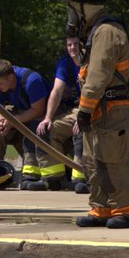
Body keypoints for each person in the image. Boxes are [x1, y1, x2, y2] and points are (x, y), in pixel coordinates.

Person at [64, 0, 129, 229]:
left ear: (85, 7)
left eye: (73, 7)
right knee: (93, 161)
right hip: (98, 107)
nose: (71, 15)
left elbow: (98, 75)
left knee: (113, 160)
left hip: (110, 108)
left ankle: (126, 210)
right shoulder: (95, 31)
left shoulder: (106, 32)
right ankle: (101, 208)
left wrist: (84, 109)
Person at [0, 60, 58, 190]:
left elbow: (38, 110)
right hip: (19, 113)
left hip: (41, 114)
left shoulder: (32, 81)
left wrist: (12, 121)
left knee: (34, 126)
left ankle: (30, 175)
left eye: (0, 84)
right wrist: (0, 121)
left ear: (11, 78)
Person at [36, 35, 89, 193]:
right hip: (74, 110)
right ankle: (53, 179)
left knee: (81, 130)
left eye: (75, 44)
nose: (72, 48)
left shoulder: (92, 61)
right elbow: (57, 91)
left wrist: (83, 117)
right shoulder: (64, 63)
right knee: (45, 130)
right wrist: (47, 118)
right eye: (69, 45)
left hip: (93, 109)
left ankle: (81, 178)